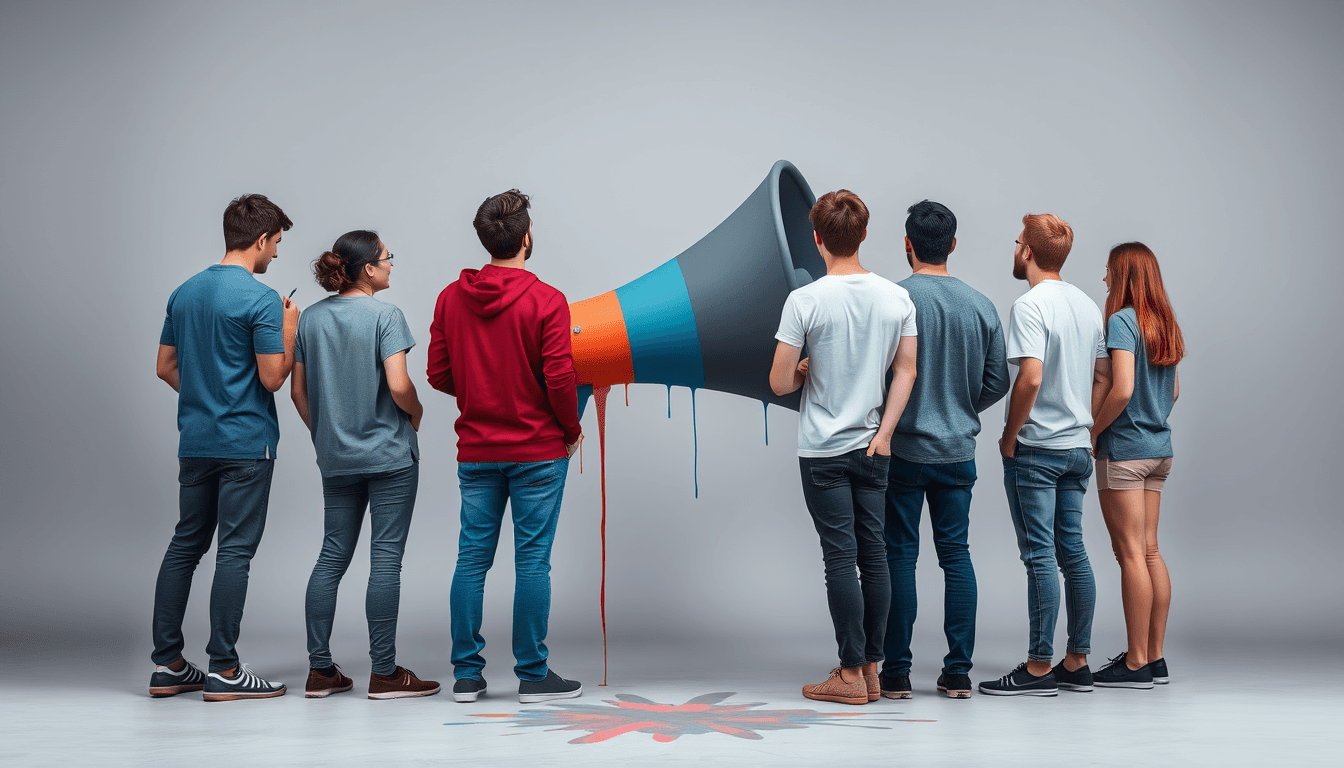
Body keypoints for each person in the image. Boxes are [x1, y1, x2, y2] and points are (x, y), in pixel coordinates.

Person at [428, 190, 584, 704]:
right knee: (532, 562)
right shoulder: (547, 299)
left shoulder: (451, 298)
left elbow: (437, 373)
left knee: (471, 562)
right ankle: (533, 675)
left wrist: (480, 390)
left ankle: (467, 676)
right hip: (538, 450)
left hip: (476, 451)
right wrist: (569, 430)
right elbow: (560, 377)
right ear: (525, 237)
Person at [770, 190, 919, 706]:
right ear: (864, 235)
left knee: (840, 559)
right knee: (874, 557)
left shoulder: (805, 300)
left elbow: (779, 383)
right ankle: (873, 671)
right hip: (874, 446)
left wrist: (806, 369)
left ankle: (850, 674)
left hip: (823, 452)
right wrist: (883, 435)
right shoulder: (896, 297)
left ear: (816, 239)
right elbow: (906, 371)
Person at [150, 194, 297, 701]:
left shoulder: (184, 293)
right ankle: (226, 671)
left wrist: (205, 399)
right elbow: (273, 378)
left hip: (195, 442)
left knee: (185, 544)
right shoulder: (261, 300)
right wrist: (291, 329)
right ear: (260, 239)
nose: (276, 254)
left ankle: (167, 665)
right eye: (276, 243)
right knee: (234, 551)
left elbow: (165, 367)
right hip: (246, 444)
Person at [291, 230, 439, 700]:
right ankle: (385, 674)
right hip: (389, 455)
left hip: (336, 458)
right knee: (385, 560)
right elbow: (399, 386)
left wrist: (326, 434)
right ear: (368, 269)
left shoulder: (311, 319)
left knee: (331, 555)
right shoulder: (386, 315)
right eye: (387, 258)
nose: (392, 264)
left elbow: (297, 391)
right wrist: (416, 413)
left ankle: (319, 672)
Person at [880, 201, 1009, 700]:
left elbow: (877, 372)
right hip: (958, 451)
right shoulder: (980, 305)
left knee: (899, 557)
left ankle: (895, 673)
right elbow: (998, 380)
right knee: (957, 557)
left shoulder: (893, 299)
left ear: (907, 244)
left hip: (903, 450)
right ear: (953, 244)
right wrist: (960, 405)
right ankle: (957, 672)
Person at [980, 213, 1108, 697]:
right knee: (1072, 552)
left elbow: (1029, 377)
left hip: (1038, 450)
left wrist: (1011, 434)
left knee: (1039, 557)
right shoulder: (1087, 306)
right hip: (1077, 448)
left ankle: (1037, 668)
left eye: (1017, 243)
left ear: (1028, 253)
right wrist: (1085, 422)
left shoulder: (1030, 305)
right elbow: (1102, 378)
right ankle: (1077, 661)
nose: (1014, 250)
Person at [1089, 242, 1183, 689]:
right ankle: (1156, 658)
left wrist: (1092, 430)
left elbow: (1121, 388)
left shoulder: (1122, 321)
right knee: (1150, 551)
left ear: (1122, 275)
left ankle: (1135, 663)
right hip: (1159, 450)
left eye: (1108, 270)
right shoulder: (1162, 323)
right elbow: (1175, 392)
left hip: (1125, 450)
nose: (1104, 277)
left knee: (1129, 554)